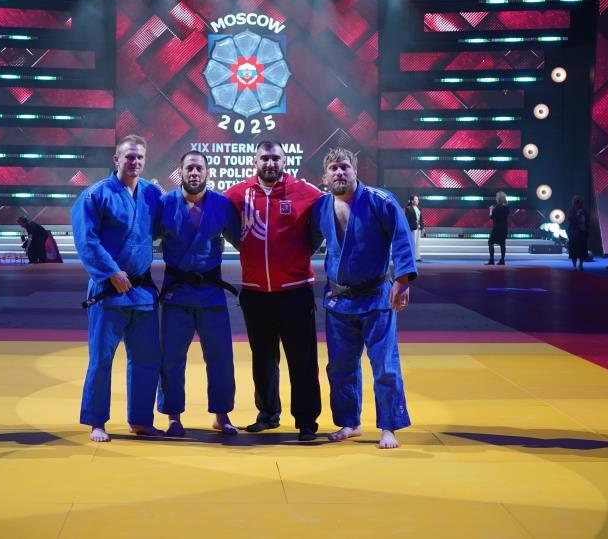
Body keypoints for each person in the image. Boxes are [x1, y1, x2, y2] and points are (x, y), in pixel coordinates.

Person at [311, 148, 417, 449]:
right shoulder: (321, 207)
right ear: (325, 176)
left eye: (344, 167)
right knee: (340, 367)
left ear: (355, 171)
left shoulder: (380, 200)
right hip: (339, 299)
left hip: (376, 298)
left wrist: (403, 280)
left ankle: (389, 426)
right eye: (333, 168)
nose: (339, 172)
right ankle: (350, 422)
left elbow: (401, 238)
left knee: (384, 366)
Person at [224, 140, 324, 441]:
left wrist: (300, 256)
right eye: (265, 158)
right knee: (263, 360)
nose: (270, 163)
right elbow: (229, 229)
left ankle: (306, 422)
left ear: (284, 160)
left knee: (302, 360)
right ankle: (268, 415)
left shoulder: (306, 192)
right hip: (255, 293)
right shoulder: (237, 194)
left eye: (275, 158)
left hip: (295, 291)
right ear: (255, 161)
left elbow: (319, 232)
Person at [72, 134, 164, 442]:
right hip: (109, 292)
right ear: (116, 159)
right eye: (129, 157)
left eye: (139, 157)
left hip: (142, 292)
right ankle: (97, 421)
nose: (134, 162)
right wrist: (111, 271)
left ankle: (141, 420)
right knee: (101, 360)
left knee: (147, 359)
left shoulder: (152, 194)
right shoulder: (95, 195)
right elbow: (86, 240)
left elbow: (163, 229)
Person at [155, 151, 241, 437]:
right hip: (176, 293)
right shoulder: (165, 204)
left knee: (220, 357)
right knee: (171, 358)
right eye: (189, 168)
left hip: (211, 292)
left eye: (199, 168)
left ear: (207, 173)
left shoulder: (222, 204)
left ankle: (222, 414)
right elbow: (144, 238)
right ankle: (173, 416)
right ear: (180, 172)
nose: (194, 173)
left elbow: (243, 241)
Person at [486, 191, 509, 265]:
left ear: (498, 198)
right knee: (502, 244)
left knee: (490, 242)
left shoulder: (497, 207)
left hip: (497, 228)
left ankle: (491, 260)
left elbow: (491, 217)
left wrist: (491, 210)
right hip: (504, 227)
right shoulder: (506, 207)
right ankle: (502, 260)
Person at [567, 195, 589, 271]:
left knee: (582, 250)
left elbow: (587, 220)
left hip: (582, 232)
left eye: (581, 203)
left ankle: (581, 265)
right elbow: (570, 220)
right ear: (575, 203)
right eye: (578, 203)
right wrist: (577, 214)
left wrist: (587, 230)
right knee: (574, 250)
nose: (580, 204)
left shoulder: (584, 211)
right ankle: (574, 266)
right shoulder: (571, 210)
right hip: (574, 233)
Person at [404, 195, 425, 262]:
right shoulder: (408, 208)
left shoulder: (419, 208)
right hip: (412, 228)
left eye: (417, 199)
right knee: (413, 242)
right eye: (416, 199)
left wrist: (422, 228)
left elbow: (421, 219)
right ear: (412, 201)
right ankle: (411, 257)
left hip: (418, 227)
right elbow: (407, 219)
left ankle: (417, 257)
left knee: (418, 243)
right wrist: (408, 228)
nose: (417, 200)